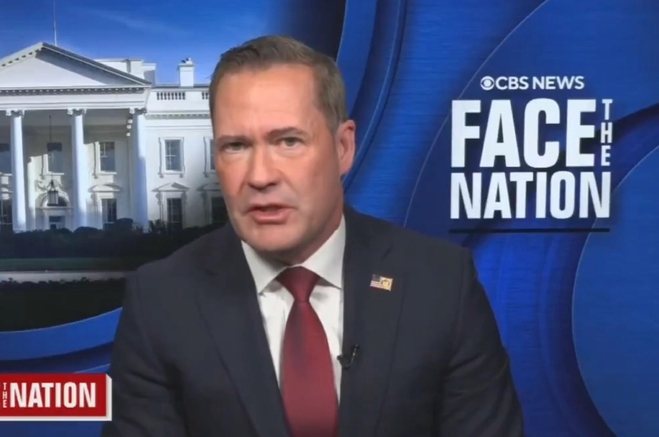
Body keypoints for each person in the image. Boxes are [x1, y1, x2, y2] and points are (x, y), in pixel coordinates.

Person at [102, 35, 524, 437]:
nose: (260, 176)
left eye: (288, 141)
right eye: (236, 146)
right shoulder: (160, 302)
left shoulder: (441, 283)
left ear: (343, 148)